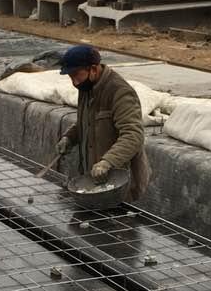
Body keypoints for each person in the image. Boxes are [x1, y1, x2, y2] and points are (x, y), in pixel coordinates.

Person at [55, 43, 149, 199]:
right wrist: (69, 137)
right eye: (71, 77)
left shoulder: (120, 91)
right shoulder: (86, 87)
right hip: (95, 180)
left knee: (117, 213)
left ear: (93, 69)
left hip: (119, 181)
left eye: (77, 75)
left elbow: (133, 135)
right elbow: (87, 122)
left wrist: (107, 162)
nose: (75, 82)